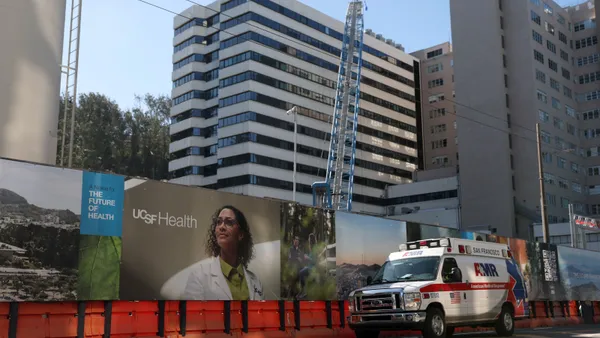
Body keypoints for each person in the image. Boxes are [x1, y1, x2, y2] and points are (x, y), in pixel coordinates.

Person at [182, 205, 264, 300]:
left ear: (241, 234)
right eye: (219, 222)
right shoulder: (198, 276)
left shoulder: (255, 281)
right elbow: (192, 314)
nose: (221, 227)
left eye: (229, 222)